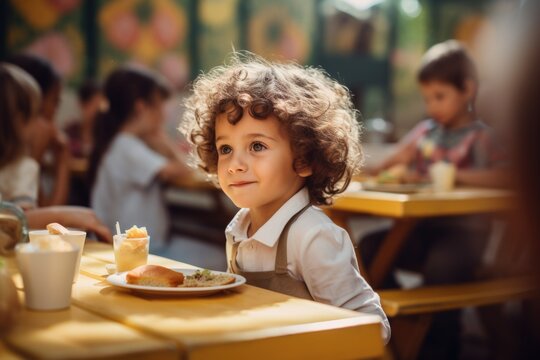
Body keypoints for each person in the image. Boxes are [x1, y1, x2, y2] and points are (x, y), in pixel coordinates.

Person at [180, 52, 390, 343]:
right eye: (225, 149)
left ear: (304, 159)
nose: (235, 163)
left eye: (256, 145)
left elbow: (373, 328)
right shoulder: (239, 228)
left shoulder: (312, 236)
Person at [371, 40, 506, 187]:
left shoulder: (483, 137)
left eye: (439, 96)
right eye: (427, 100)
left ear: (467, 89)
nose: (431, 108)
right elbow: (387, 165)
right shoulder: (424, 133)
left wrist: (453, 176)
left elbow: (508, 178)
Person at [0, 63, 111, 241]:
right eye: (37, 115)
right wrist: (62, 215)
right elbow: (19, 226)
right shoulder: (21, 167)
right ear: (20, 120)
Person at [89, 66, 190, 252]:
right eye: (159, 105)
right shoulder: (127, 147)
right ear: (141, 107)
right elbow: (184, 169)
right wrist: (165, 142)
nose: (163, 115)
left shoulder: (123, 143)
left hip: (134, 246)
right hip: (132, 250)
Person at [5, 53, 71, 207]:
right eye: (55, 101)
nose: (55, 111)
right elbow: (43, 224)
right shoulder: (19, 164)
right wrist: (62, 163)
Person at [64, 79, 104, 159]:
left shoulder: (104, 133)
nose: (98, 110)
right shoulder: (71, 130)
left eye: (100, 105)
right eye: (94, 104)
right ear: (82, 103)